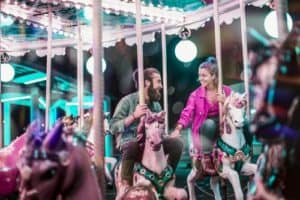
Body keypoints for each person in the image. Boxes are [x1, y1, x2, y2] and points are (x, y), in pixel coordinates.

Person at [110, 67, 183, 194]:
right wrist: (134, 116)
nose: (161, 86)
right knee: (132, 145)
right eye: (158, 81)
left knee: (177, 144)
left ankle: (167, 175)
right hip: (131, 140)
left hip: (151, 142)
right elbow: (113, 126)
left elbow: (158, 130)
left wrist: (164, 131)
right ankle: (125, 185)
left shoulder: (156, 105)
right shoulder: (128, 101)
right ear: (147, 83)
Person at [171, 57, 231, 163]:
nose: (200, 78)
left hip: (224, 123)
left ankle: (245, 154)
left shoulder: (226, 90)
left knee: (246, 125)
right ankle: (206, 156)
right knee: (209, 124)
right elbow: (187, 112)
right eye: (199, 75)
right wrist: (178, 129)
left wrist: (226, 101)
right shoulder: (195, 95)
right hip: (205, 127)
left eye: (204, 75)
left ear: (213, 76)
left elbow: (237, 108)